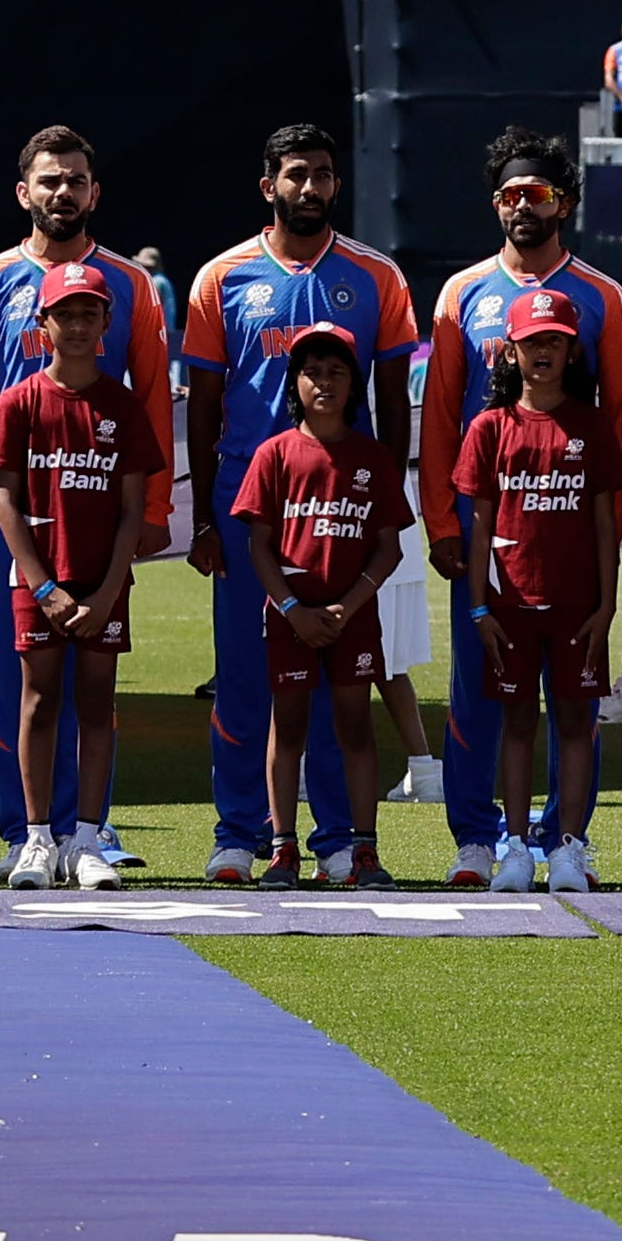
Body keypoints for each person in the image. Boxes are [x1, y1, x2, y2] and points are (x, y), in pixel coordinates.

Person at [0, 126, 178, 865]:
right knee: (25, 680)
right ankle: (25, 833)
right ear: (23, 193)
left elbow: (154, 398)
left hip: (101, 509)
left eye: (75, 180)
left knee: (96, 682)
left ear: (93, 193)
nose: (61, 192)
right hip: (20, 515)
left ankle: (90, 831)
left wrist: (157, 509)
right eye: (49, 180)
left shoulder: (129, 284)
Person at [421, 131, 619, 889]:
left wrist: (608, 571)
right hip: (489, 543)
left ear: (562, 202)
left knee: (573, 709)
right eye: (508, 195)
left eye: (535, 194)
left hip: (570, 546)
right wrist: (443, 525)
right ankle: (480, 839)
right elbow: (441, 417)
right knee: (483, 700)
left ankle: (567, 839)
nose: (521, 207)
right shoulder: (462, 292)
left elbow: (617, 430)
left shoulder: (600, 296)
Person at [0, 262, 162, 895]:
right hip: (38, 584)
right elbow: (2, 500)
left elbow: (133, 509)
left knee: (96, 706)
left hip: (102, 582)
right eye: (66, 314)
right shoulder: (21, 399)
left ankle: (86, 838)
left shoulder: (122, 405)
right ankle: (35, 838)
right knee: (36, 701)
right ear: (42, 323)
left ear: (107, 323)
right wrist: (44, 587)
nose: (77, 325)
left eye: (89, 314)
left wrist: (107, 590)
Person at [454, 294, 619, 893]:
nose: (543, 352)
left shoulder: (591, 424)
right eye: (532, 342)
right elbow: (478, 524)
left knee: (576, 723)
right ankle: (517, 848)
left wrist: (608, 602)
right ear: (511, 350)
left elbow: (605, 521)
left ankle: (568, 849)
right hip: (508, 604)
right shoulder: (489, 427)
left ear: (572, 350)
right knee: (517, 725)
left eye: (554, 341)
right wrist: (477, 605)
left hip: (578, 605)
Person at [230, 324, 398, 888]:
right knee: (289, 724)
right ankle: (282, 850)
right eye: (312, 372)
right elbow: (258, 544)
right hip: (291, 617)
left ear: (354, 384)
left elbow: (389, 547)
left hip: (351, 617)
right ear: (294, 382)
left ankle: (363, 851)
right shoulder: (274, 454)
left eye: (336, 372)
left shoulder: (372, 458)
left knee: (354, 726)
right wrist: (292, 607)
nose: (324, 383)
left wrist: (347, 607)